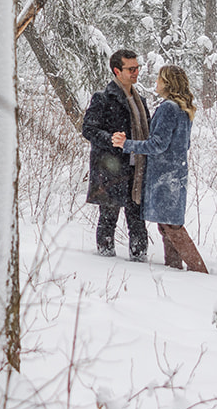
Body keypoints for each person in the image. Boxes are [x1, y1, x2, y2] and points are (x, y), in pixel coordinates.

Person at [110, 65, 208, 272]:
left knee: (172, 227)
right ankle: (174, 268)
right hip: (177, 172)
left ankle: (199, 271)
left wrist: (127, 144)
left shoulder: (168, 108)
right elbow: (184, 144)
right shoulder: (183, 108)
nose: (156, 82)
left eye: (160, 79)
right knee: (167, 225)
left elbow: (157, 145)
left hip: (164, 175)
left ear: (168, 83)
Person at [82, 49, 150, 260]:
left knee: (137, 220)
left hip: (136, 169)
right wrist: (111, 139)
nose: (136, 72)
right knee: (108, 217)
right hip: (110, 169)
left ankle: (140, 260)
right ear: (117, 71)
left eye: (137, 68)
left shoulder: (140, 100)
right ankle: (105, 262)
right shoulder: (103, 98)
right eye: (131, 69)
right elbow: (88, 129)